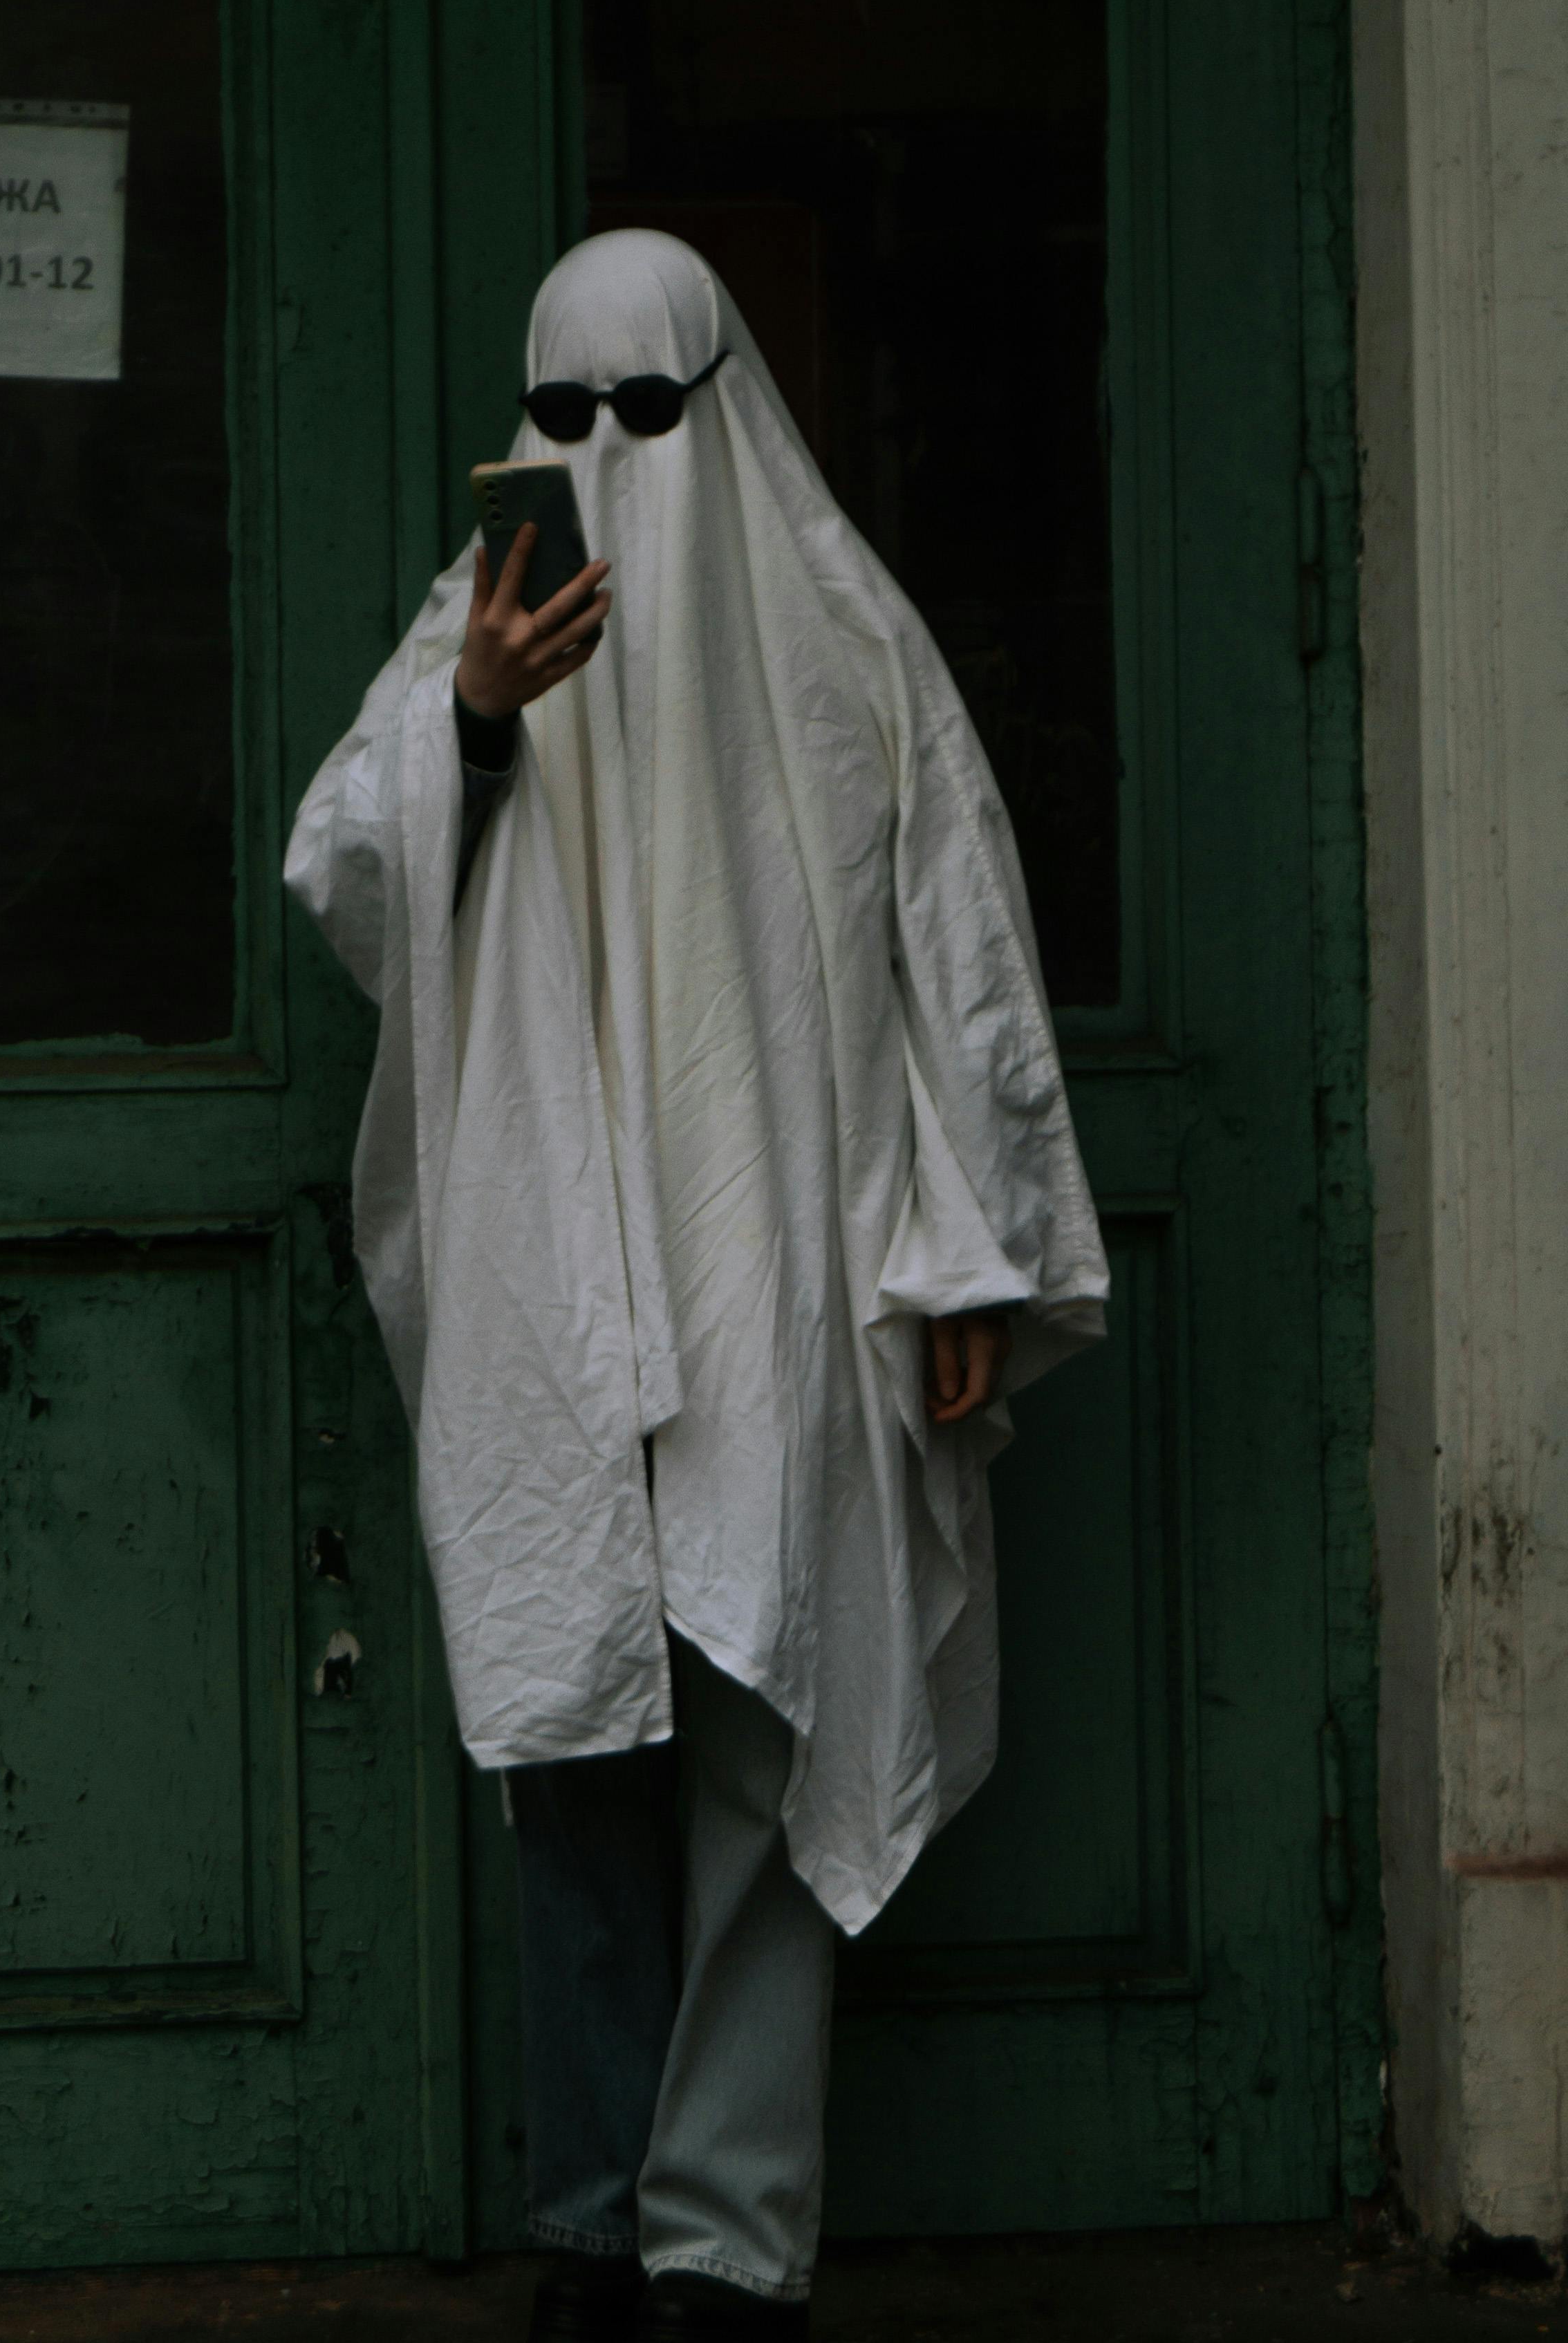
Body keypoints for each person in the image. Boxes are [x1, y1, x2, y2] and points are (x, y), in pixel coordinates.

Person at [285, 231, 1108, 2337]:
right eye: (563, 417)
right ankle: (589, 2215)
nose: (604, 457)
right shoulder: (471, 632)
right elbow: (349, 867)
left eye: (646, 415)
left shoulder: (847, 646)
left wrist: (967, 1259)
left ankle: (725, 2242)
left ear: (720, 401)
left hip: (781, 1257)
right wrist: (474, 717)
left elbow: (962, 974)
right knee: (573, 1740)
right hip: (565, 1259)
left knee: (765, 1731)